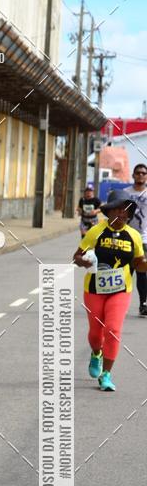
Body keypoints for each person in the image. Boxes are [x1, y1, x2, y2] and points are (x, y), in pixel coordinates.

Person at [73, 189, 147, 391]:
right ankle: (96, 353)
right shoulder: (95, 231)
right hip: (94, 290)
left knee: (113, 330)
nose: (122, 214)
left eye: (126, 210)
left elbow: (138, 263)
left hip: (120, 290)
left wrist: (145, 264)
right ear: (109, 212)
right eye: (117, 209)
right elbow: (76, 257)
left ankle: (106, 375)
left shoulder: (134, 236)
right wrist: (84, 262)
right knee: (96, 335)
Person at [122, 163, 147, 315]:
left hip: (144, 239)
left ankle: (143, 304)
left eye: (143, 173)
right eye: (138, 173)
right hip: (126, 237)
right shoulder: (125, 193)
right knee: (125, 272)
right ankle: (119, 304)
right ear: (133, 175)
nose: (141, 175)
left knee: (142, 273)